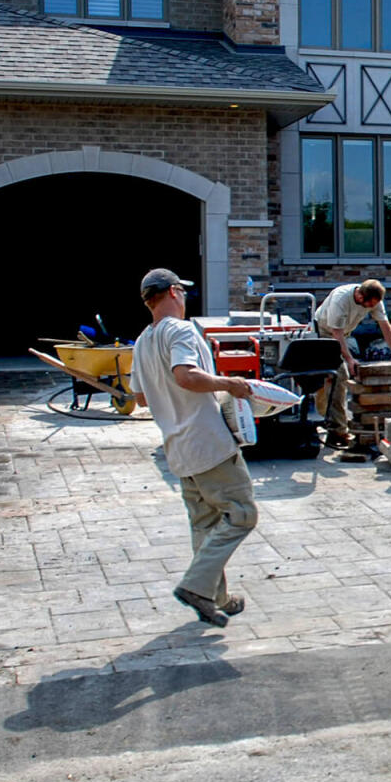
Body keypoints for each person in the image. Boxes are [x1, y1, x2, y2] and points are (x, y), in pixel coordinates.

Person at [130, 268, 256, 629]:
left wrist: (162, 393)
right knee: (243, 514)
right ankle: (195, 586)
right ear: (173, 292)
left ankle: (218, 599)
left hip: (177, 448)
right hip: (208, 442)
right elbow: (185, 375)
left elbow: (139, 398)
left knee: (205, 521)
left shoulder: (141, 341)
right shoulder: (180, 330)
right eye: (181, 292)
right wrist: (230, 383)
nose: (184, 297)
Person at [313, 279, 391, 445]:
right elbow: (336, 333)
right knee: (340, 375)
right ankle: (338, 431)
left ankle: (330, 417)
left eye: (374, 305)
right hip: (323, 333)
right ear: (359, 295)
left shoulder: (373, 299)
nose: (370, 308)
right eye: (368, 304)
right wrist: (349, 359)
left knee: (331, 380)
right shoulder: (341, 299)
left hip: (342, 335)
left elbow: (385, 326)